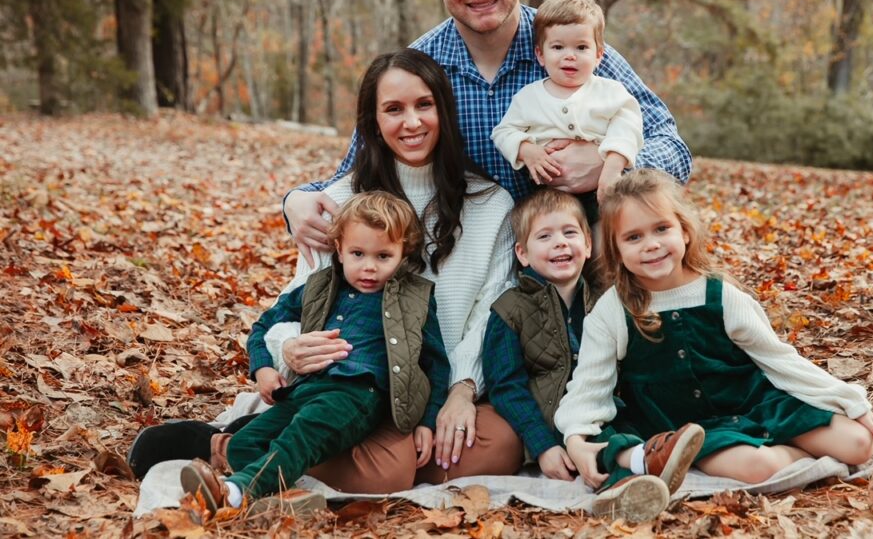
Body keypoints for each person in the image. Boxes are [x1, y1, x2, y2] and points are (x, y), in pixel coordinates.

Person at [130, 50, 522, 492]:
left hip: (428, 390)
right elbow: (300, 297)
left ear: (444, 111)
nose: (411, 122)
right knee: (386, 472)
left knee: (503, 444)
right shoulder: (338, 200)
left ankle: (256, 446)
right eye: (393, 109)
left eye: (423, 105)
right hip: (345, 387)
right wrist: (289, 349)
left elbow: (491, 312)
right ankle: (230, 447)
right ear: (373, 122)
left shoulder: (492, 204)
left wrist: (461, 392)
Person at [284, 0, 691, 268]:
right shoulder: (418, 67)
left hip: (579, 260)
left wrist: (610, 166)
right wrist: (295, 201)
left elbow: (673, 149)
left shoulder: (571, 50)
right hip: (469, 270)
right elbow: (359, 171)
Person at [556, 169, 873, 502]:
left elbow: (779, 360)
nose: (652, 245)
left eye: (662, 229)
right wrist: (575, 436)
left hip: (753, 403)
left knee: (860, 443)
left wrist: (850, 402)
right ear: (616, 249)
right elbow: (590, 384)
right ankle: (794, 460)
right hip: (688, 427)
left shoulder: (721, 295)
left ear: (684, 232)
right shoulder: (613, 309)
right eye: (634, 237)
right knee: (759, 465)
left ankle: (800, 452)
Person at [179, 191, 450, 515]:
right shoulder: (320, 287)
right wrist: (263, 368)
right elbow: (264, 325)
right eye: (358, 253)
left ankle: (237, 492)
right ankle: (284, 501)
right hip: (307, 388)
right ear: (339, 249)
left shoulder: (416, 297)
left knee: (304, 430)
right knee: (243, 443)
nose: (368, 268)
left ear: (402, 252)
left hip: (358, 394)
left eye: (383, 256)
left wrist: (428, 421)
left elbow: (436, 363)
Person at [483, 189, 702, 523]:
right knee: (603, 443)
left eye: (569, 233)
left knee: (630, 424)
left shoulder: (606, 300)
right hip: (555, 420)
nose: (560, 243)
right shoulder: (509, 310)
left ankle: (639, 475)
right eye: (545, 236)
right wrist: (542, 446)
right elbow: (505, 386)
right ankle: (637, 471)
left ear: (588, 244)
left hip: (608, 406)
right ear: (523, 253)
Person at [491, 0, 643, 220]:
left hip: (601, 189)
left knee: (607, 239)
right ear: (540, 55)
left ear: (599, 55)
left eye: (581, 48)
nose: (570, 56)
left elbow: (628, 128)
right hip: (547, 196)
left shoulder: (611, 92)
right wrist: (527, 151)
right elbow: (503, 132)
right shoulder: (529, 97)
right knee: (546, 239)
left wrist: (612, 166)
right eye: (558, 47)